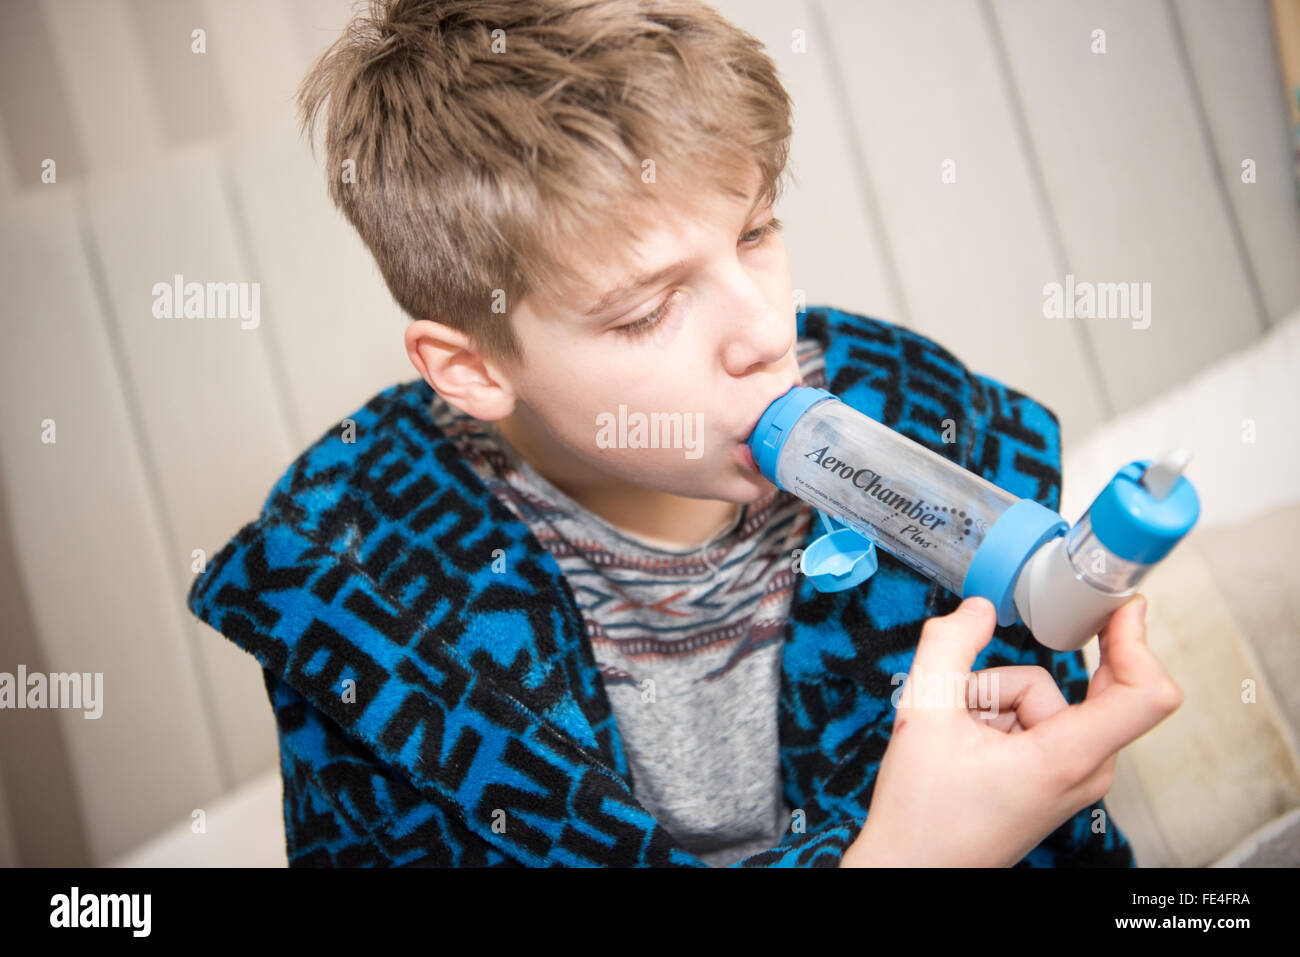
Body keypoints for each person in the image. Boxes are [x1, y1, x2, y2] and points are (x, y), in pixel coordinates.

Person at [187, 0, 1182, 867]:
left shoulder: (921, 423)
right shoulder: (359, 585)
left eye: (754, 232)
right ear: (474, 368)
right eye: (647, 310)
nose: (762, 332)